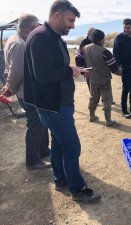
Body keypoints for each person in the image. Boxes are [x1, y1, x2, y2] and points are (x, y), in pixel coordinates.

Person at [23, 0, 100, 204]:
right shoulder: (41, 37)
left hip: (59, 103)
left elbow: (54, 67)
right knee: (72, 146)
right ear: (57, 14)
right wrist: (70, 70)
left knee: (59, 143)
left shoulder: (53, 37)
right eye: (70, 20)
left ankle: (61, 180)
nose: (73, 25)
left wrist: (72, 70)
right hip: (52, 105)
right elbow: (43, 74)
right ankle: (78, 189)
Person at [0, 14, 51, 170]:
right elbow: (17, 71)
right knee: (35, 124)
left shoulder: (16, 39)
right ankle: (32, 160)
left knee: (41, 121)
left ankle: (42, 150)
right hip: (26, 91)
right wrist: (10, 88)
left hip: (27, 90)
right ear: (32, 28)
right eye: (37, 27)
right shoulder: (20, 44)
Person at [83, 29, 121, 125]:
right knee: (107, 99)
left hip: (92, 78)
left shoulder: (85, 48)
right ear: (102, 39)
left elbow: (78, 58)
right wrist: (119, 72)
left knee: (93, 98)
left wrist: (84, 72)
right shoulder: (105, 52)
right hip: (104, 79)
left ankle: (92, 116)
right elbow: (114, 68)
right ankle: (108, 120)